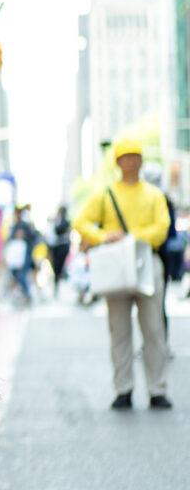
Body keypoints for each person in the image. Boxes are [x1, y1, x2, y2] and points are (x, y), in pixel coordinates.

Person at [72, 138, 171, 410]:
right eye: (125, 157)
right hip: (115, 266)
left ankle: (157, 389)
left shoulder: (154, 194)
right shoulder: (105, 194)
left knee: (154, 329)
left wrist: (129, 237)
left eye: (135, 156)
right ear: (117, 162)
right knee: (119, 330)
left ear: (141, 160)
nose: (131, 161)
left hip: (147, 263)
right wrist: (104, 236)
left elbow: (162, 229)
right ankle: (123, 389)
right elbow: (80, 221)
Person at [49, 205, 72, 294]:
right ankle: (56, 284)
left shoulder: (65, 222)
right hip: (56, 246)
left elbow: (58, 230)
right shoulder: (56, 221)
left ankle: (58, 282)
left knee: (60, 267)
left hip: (62, 246)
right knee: (56, 267)